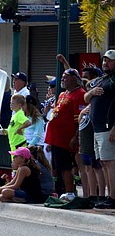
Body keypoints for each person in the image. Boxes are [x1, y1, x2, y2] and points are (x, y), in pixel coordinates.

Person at [44, 67, 85, 202]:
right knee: (58, 167)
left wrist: (76, 136)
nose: (62, 79)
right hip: (55, 138)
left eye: (65, 77)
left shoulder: (79, 94)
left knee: (66, 166)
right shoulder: (63, 94)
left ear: (74, 79)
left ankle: (70, 192)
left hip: (66, 139)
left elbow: (80, 119)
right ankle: (62, 190)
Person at [85, 50, 115, 209]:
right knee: (103, 163)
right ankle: (108, 196)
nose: (106, 63)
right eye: (104, 61)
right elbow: (86, 97)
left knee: (110, 163)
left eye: (109, 61)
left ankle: (113, 198)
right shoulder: (102, 79)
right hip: (96, 128)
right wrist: (92, 92)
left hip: (107, 127)